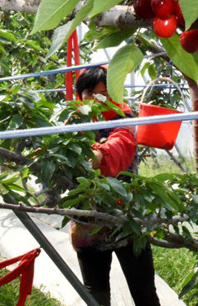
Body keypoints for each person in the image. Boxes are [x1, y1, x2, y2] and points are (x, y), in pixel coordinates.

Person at [71, 66, 161, 306]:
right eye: (89, 93)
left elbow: (121, 143)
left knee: (143, 290)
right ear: (80, 94)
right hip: (87, 223)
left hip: (126, 220)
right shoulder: (74, 121)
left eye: (103, 93)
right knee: (95, 293)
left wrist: (100, 154)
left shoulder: (122, 120)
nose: (96, 99)